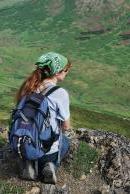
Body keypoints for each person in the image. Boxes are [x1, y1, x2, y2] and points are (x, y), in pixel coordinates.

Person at [15, 52, 72, 184]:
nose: (67, 72)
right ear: (58, 72)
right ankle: (49, 166)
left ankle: (28, 164)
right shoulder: (60, 93)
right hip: (47, 149)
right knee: (66, 142)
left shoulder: (28, 86)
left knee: (32, 143)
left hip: (24, 144)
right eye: (66, 70)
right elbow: (66, 126)